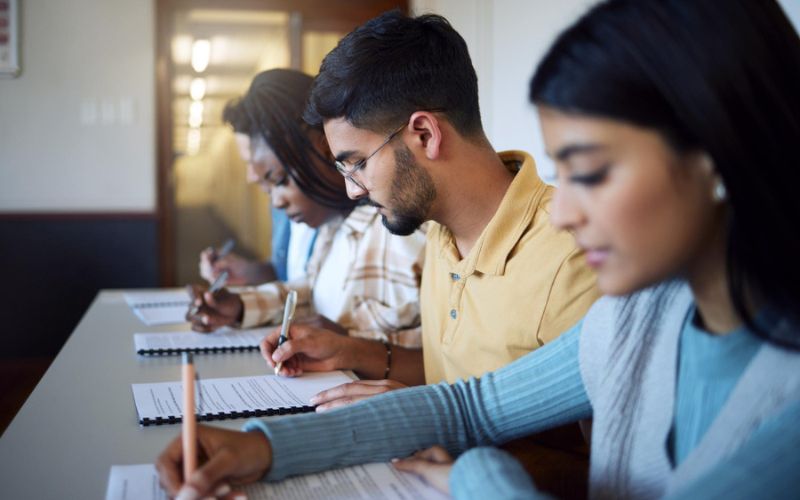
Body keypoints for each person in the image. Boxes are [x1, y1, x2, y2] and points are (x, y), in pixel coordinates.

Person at [157, 0, 800, 498]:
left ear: (717, 156)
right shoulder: (640, 315)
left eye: (593, 170)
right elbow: (474, 402)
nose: (567, 212)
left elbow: (490, 436)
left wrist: (474, 476)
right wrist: (259, 446)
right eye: (561, 169)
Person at [256, 11, 598, 411]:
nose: (351, 191)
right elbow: (453, 378)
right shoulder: (438, 230)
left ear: (424, 134)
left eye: (358, 163)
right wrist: (353, 353)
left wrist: (432, 422)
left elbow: (601, 466)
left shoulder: (573, 260)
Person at [188, 69, 426, 348]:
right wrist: (241, 306)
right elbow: (311, 290)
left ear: (324, 149)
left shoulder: (400, 227)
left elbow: (437, 346)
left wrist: (352, 345)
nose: (275, 200)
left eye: (279, 181)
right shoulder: (332, 225)